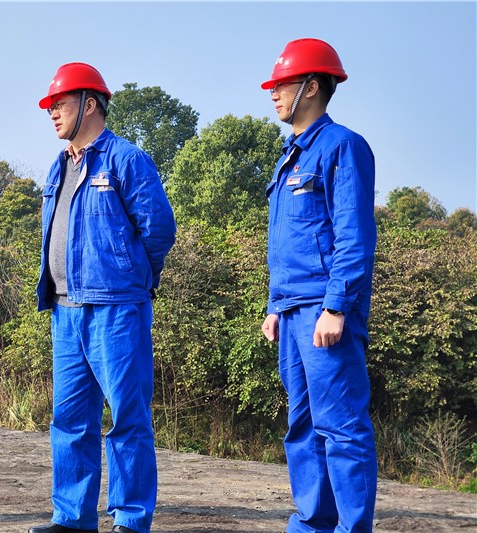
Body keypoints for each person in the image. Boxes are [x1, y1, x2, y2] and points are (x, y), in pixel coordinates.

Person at [28, 63, 176, 533]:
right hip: (65, 310)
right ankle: (72, 519)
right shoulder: (59, 166)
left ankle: (130, 520)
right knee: (70, 421)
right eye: (50, 107)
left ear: (89, 104)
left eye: (60, 104)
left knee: (127, 418)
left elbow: (159, 229)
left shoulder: (126, 159)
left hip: (116, 310)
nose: (52, 113)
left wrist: (132, 278)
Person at [259, 39, 378, 533]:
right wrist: (274, 305)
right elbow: (287, 241)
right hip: (292, 311)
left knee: (342, 426)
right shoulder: (289, 157)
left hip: (324, 310)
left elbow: (354, 235)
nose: (273, 94)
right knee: (302, 427)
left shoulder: (342, 146)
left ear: (311, 87)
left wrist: (336, 307)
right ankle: (312, 524)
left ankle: (352, 529)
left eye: (281, 85)